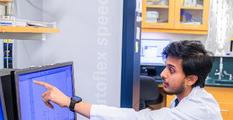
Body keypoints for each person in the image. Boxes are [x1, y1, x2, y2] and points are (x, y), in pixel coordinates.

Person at [34, 40, 223, 120]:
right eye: (165, 66)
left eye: (171, 70)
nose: (163, 74)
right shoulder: (184, 98)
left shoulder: (197, 109)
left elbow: (139, 118)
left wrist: (70, 103)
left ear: (191, 79)